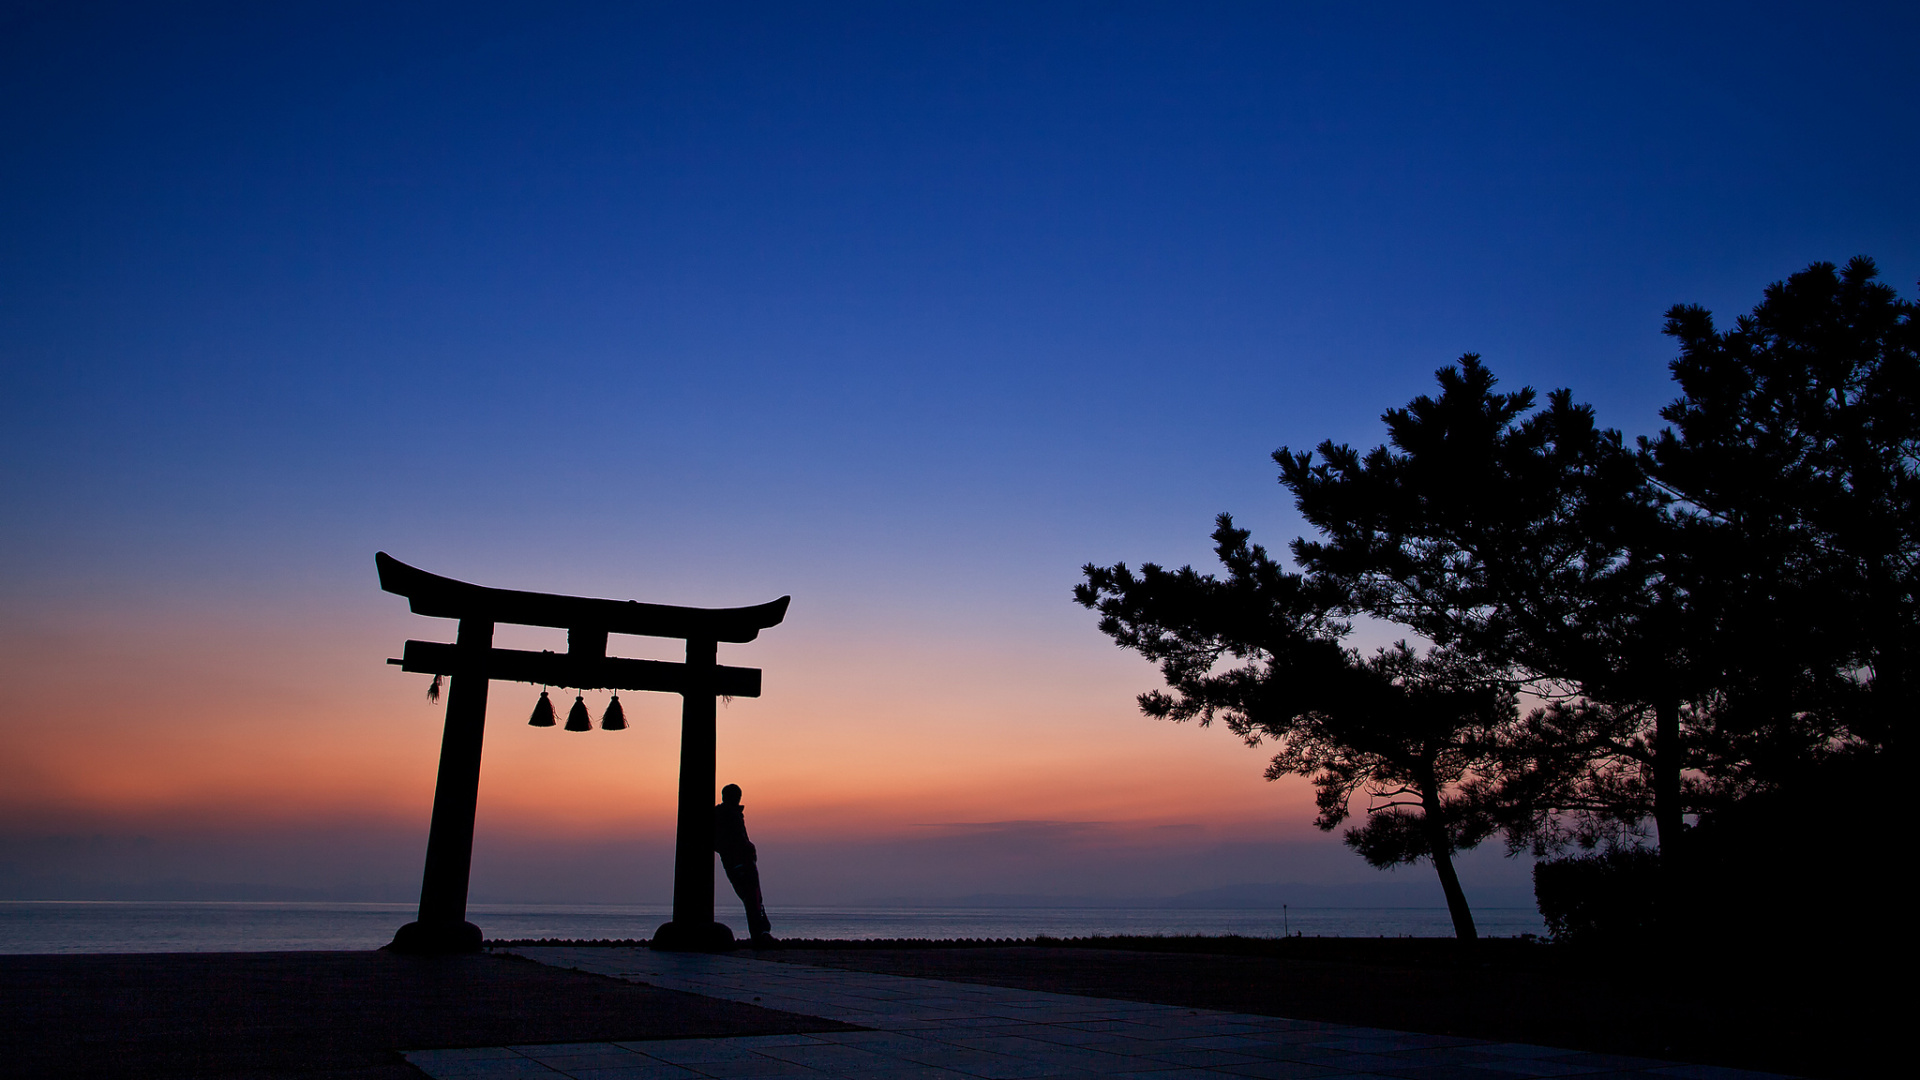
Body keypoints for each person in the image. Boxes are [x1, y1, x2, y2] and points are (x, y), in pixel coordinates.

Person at [714, 783, 773, 945]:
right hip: (738, 862)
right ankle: (759, 934)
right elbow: (720, 841)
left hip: (744, 860)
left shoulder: (732, 813)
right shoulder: (725, 814)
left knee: (754, 897)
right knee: (751, 897)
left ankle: (762, 932)